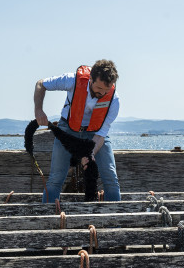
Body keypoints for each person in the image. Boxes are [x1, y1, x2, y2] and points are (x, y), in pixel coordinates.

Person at [34, 59, 121, 203]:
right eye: (99, 88)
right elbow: (40, 84)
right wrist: (38, 110)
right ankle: (48, 219)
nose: (102, 93)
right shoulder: (72, 80)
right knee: (56, 178)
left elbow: (101, 134)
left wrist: (90, 153)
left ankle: (115, 222)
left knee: (111, 177)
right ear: (91, 79)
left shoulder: (114, 101)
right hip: (67, 129)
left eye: (106, 90)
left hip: (95, 133)